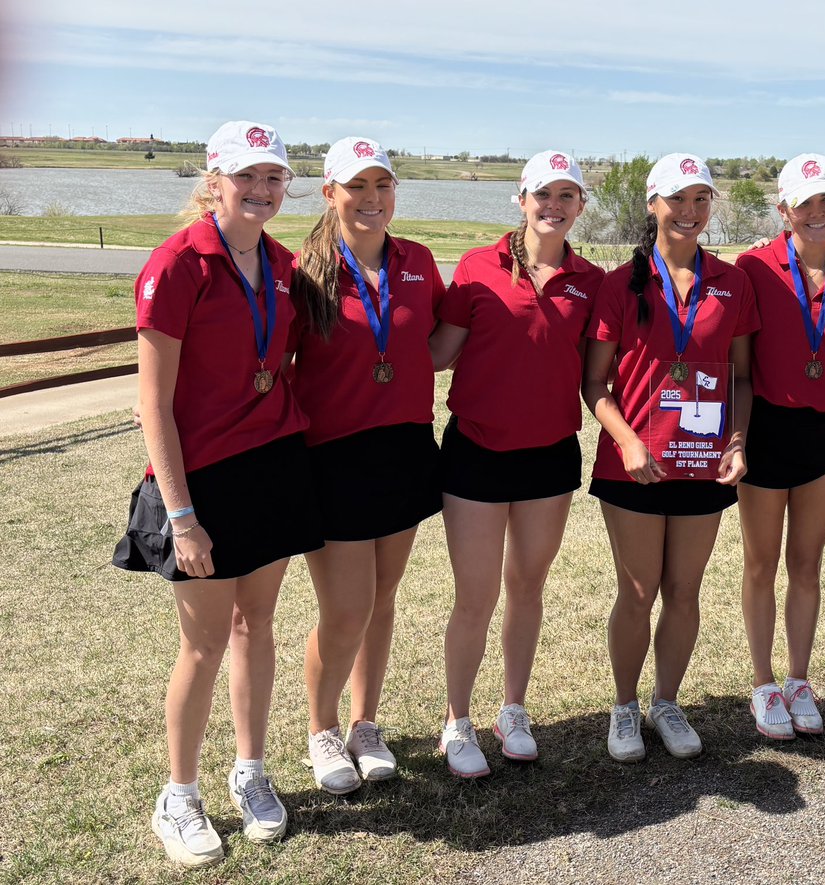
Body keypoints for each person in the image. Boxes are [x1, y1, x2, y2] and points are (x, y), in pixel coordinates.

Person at [112, 121, 323, 867]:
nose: (262, 190)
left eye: (274, 177)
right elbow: (153, 406)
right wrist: (181, 517)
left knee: (255, 625)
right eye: (247, 177)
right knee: (202, 645)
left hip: (272, 468)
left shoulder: (284, 263)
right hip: (201, 484)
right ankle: (179, 793)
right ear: (214, 182)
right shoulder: (176, 266)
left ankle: (252, 770)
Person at [428, 151, 604, 777]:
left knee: (527, 587)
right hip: (475, 452)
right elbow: (438, 355)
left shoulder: (592, 280)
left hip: (550, 456)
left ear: (580, 206)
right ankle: (456, 720)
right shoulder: (477, 268)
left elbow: (597, 375)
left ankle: (513, 709)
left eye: (567, 197)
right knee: (475, 595)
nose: (553, 207)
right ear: (521, 200)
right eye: (542, 196)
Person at [583, 153, 758, 762]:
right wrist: (628, 440)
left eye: (701, 200)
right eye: (677, 200)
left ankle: (667, 702)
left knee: (685, 589)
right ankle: (625, 707)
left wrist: (737, 440)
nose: (689, 212)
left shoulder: (732, 283)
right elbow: (595, 384)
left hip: (702, 459)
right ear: (653, 205)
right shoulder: (618, 284)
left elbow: (740, 376)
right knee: (638, 588)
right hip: (635, 462)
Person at [290, 137, 445, 793]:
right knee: (345, 608)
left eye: (382, 186)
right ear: (330, 193)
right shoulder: (305, 273)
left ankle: (364, 723)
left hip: (405, 448)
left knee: (382, 599)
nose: (372, 200)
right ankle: (320, 730)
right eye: (357, 188)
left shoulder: (417, 262)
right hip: (334, 456)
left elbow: (437, 339)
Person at [734, 155, 825, 739]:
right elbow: (737, 357)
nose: (817, 214)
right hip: (767, 428)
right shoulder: (753, 267)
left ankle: (799, 678)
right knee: (761, 562)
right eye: (805, 203)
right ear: (783, 208)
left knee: (807, 563)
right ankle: (764, 683)